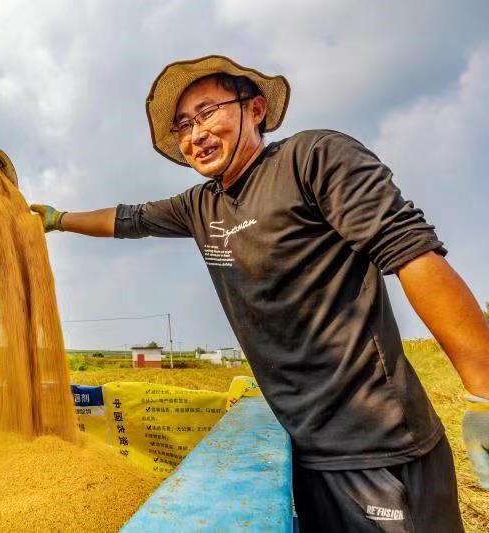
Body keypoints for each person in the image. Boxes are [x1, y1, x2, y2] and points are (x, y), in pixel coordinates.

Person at [31, 55, 489, 531]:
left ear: (256, 108)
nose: (195, 135)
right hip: (304, 450)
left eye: (208, 112)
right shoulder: (199, 205)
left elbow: (411, 253)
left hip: (376, 445)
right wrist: (57, 220)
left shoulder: (312, 159)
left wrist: (483, 397)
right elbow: (128, 219)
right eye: (184, 125)